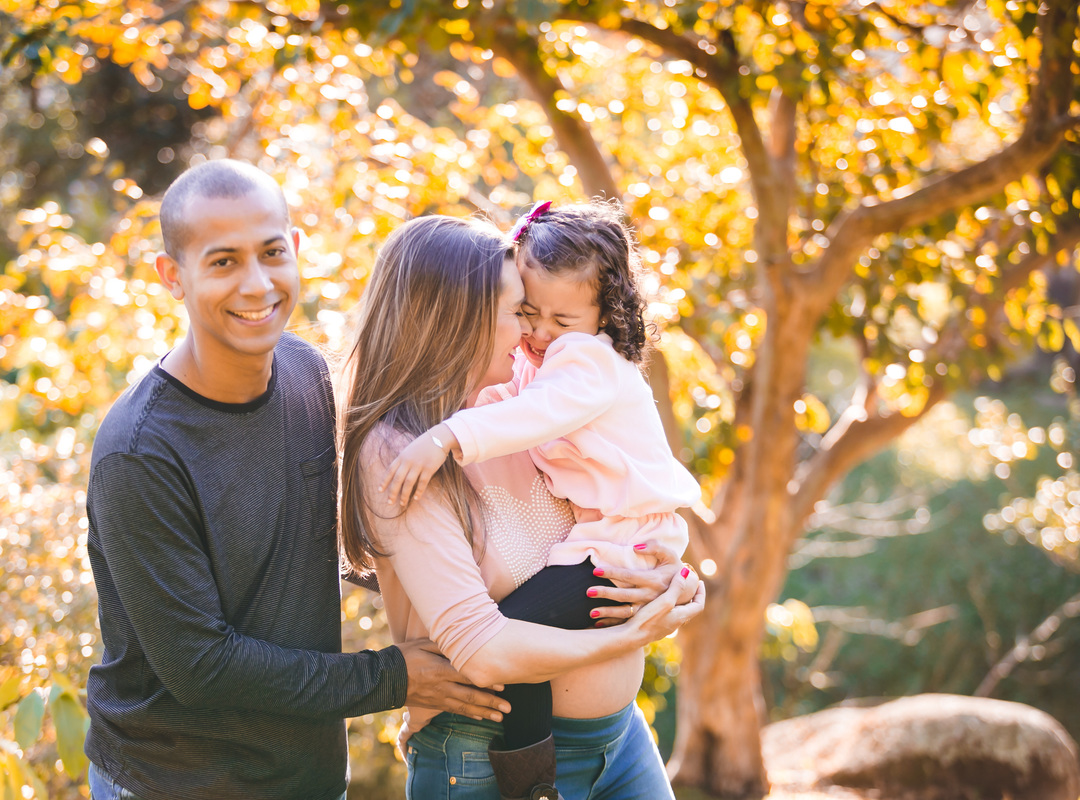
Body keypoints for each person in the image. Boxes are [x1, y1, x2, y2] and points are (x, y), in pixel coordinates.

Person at [83, 159, 509, 800]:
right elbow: (203, 667)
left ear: (296, 249)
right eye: (223, 262)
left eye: (271, 253)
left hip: (306, 778)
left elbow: (333, 542)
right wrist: (394, 678)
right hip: (173, 783)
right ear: (172, 276)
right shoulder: (140, 452)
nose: (257, 285)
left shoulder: (309, 374)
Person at [340, 214, 706, 800]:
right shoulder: (402, 447)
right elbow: (486, 650)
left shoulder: (527, 408)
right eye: (521, 312)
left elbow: (618, 514)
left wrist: (677, 583)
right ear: (457, 320)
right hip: (482, 761)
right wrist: (638, 630)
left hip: (620, 741)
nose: (532, 333)